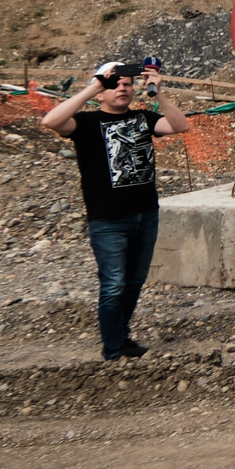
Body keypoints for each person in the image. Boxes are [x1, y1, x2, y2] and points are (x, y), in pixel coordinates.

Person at [42, 57, 191, 361]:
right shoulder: (84, 123)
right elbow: (50, 121)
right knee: (113, 284)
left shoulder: (143, 118)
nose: (122, 89)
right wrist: (95, 84)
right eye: (114, 85)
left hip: (146, 213)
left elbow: (181, 125)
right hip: (107, 219)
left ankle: (121, 339)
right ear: (100, 91)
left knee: (134, 282)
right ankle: (113, 349)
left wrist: (157, 91)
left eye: (126, 84)